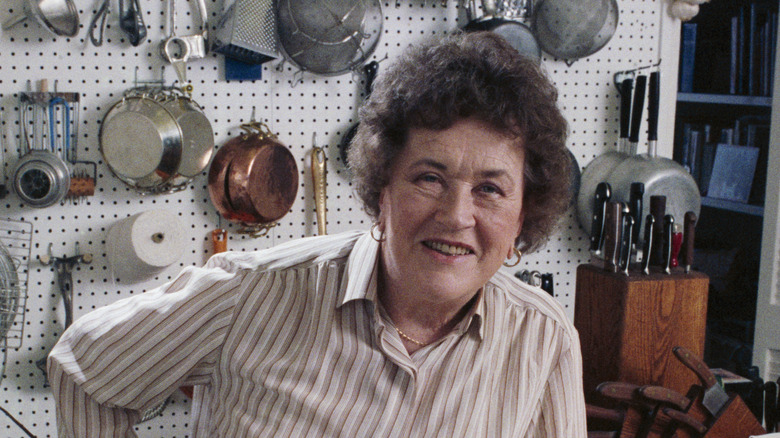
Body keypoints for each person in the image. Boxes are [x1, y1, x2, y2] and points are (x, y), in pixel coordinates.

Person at [48, 31, 586, 437]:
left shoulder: (543, 338)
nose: (456, 215)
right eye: (429, 178)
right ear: (382, 190)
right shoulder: (249, 295)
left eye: (491, 189)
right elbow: (84, 369)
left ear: (524, 214)